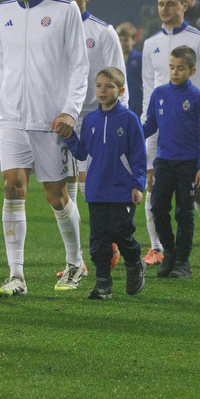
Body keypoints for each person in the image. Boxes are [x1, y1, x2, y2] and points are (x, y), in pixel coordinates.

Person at [0, 0, 89, 296]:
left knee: (56, 196)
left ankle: (75, 263)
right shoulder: (1, 13)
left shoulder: (64, 10)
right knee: (12, 188)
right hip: (13, 117)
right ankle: (16, 275)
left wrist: (70, 111)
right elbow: (1, 68)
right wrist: (0, 113)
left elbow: (79, 65)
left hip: (51, 120)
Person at [141, 0, 200, 263]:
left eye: (171, 4)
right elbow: (148, 88)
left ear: (184, 7)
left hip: (189, 128)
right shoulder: (150, 44)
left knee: (197, 192)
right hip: (158, 127)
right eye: (160, 4)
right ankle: (157, 248)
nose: (164, 9)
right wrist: (144, 127)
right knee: (151, 185)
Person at [54, 0, 126, 274]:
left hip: (95, 120)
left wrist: (121, 123)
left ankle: (109, 244)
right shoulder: (50, 27)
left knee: (90, 189)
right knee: (64, 189)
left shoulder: (103, 33)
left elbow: (120, 79)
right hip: (60, 119)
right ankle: (76, 260)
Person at [62, 66, 147, 299]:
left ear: (120, 91)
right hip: (97, 190)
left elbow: (139, 155)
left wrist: (138, 184)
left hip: (122, 191)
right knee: (98, 238)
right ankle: (103, 282)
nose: (102, 90)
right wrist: (69, 137)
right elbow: (82, 153)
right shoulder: (90, 119)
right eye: (99, 85)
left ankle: (134, 263)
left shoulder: (129, 120)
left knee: (121, 233)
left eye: (109, 86)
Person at [144, 46, 200, 279]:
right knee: (157, 207)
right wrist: (132, 136)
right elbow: (151, 125)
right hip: (164, 161)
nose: (174, 72)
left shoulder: (198, 99)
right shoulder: (159, 94)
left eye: (180, 68)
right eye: (171, 67)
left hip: (188, 164)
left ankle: (182, 263)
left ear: (192, 71)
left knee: (185, 213)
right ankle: (169, 253)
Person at [118, 23, 143, 117]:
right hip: (121, 107)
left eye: (126, 40)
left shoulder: (140, 59)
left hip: (137, 108)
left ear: (134, 40)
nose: (122, 44)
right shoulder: (114, 60)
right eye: (119, 40)